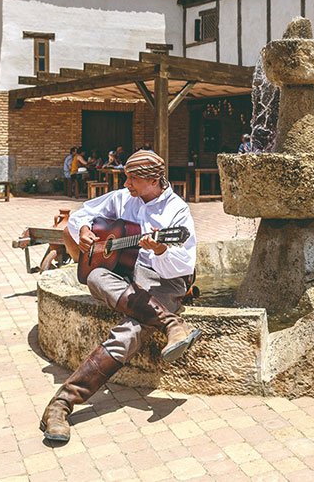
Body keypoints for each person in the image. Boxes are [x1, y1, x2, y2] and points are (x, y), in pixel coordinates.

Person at [39, 150, 200, 443]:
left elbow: (184, 265)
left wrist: (160, 249)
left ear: (154, 179)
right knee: (96, 276)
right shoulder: (123, 198)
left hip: (164, 280)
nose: (126, 184)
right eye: (126, 177)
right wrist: (85, 229)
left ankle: (61, 404)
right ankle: (170, 323)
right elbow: (82, 215)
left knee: (129, 332)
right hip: (128, 276)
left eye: (133, 179)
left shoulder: (177, 212)